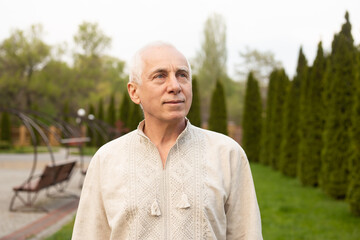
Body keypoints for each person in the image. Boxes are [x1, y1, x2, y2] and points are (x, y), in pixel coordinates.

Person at [72, 42, 263, 240]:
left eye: (182, 75)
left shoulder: (227, 153)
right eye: (160, 76)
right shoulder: (107, 159)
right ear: (134, 92)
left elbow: (247, 234)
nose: (175, 86)